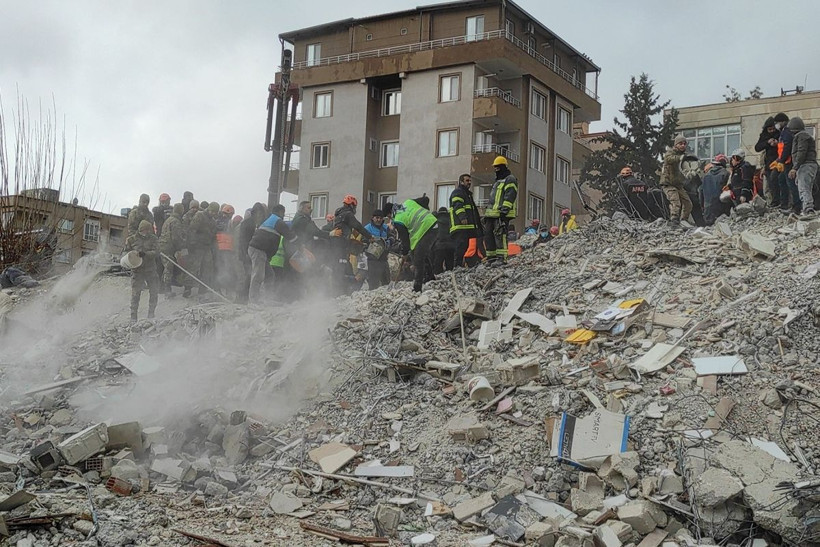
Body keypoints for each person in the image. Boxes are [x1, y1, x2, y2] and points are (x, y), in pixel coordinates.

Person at [389, 197, 438, 292]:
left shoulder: (398, 220)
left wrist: (404, 253)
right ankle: (430, 277)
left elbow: (405, 241)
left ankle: (417, 287)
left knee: (418, 257)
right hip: (431, 225)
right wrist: (426, 209)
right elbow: (425, 199)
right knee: (418, 253)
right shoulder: (408, 202)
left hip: (428, 228)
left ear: (390, 213)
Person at [248, 204, 296, 301]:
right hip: (258, 250)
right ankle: (253, 300)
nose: (284, 215)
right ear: (280, 212)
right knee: (258, 275)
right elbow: (291, 236)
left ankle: (267, 299)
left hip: (259, 250)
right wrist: (301, 245)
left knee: (269, 275)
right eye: (283, 213)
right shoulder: (278, 221)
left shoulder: (270, 220)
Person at [330, 195, 372, 294]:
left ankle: (339, 292)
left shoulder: (338, 216)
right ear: (352, 205)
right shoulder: (348, 214)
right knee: (345, 270)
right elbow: (358, 226)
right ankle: (344, 292)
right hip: (342, 248)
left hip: (337, 247)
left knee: (341, 269)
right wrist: (370, 237)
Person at [483, 156, 518, 263]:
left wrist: (504, 211)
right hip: (492, 215)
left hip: (501, 214)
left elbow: (510, 195)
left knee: (500, 236)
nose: (496, 169)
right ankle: (491, 258)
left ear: (503, 167)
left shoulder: (510, 179)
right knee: (489, 236)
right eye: (495, 167)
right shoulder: (497, 181)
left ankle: (501, 258)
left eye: (498, 167)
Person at [123, 220, 159, 321]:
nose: (147, 232)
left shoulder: (153, 239)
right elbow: (125, 253)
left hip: (150, 269)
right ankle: (133, 317)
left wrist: (146, 254)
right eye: (145, 230)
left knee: (154, 291)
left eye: (148, 230)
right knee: (136, 294)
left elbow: (157, 252)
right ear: (141, 229)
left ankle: (151, 314)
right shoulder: (131, 239)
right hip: (137, 270)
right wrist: (131, 257)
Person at [449, 173, 483, 268]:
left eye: (470, 181)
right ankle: (457, 266)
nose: (469, 183)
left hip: (465, 227)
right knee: (460, 247)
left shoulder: (467, 194)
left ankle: (459, 266)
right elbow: (457, 205)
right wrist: (462, 217)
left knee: (464, 247)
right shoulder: (458, 192)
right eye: (467, 180)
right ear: (461, 182)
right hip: (460, 227)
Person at [185, 202, 219, 297]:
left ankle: (202, 290)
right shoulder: (200, 215)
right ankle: (187, 288)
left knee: (207, 268)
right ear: (209, 209)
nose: (213, 213)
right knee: (194, 268)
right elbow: (192, 230)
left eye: (215, 212)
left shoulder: (213, 221)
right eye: (212, 211)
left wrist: (213, 247)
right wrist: (192, 245)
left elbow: (213, 236)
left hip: (207, 247)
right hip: (197, 247)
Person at [236, 203, 267, 304]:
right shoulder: (248, 223)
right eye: (260, 213)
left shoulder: (254, 223)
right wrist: (245, 253)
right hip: (246, 253)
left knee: (250, 275)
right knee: (247, 275)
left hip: (248, 252)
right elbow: (243, 240)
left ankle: (244, 298)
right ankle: (241, 298)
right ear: (256, 213)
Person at [660, 135, 693, 228]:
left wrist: (690, 173)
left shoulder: (684, 156)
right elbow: (669, 159)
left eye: (684, 144)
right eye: (680, 143)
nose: (683, 145)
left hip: (678, 184)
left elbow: (685, 167)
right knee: (675, 201)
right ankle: (674, 221)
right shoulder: (670, 152)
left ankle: (684, 220)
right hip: (668, 183)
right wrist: (680, 158)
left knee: (688, 203)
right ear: (676, 144)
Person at [787, 116, 818, 216]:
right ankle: (808, 208)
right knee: (807, 187)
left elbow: (801, 152)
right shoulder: (804, 136)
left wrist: (794, 168)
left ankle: (808, 209)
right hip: (808, 165)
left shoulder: (801, 136)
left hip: (806, 165)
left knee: (803, 187)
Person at [770, 112, 800, 214]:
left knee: (791, 183)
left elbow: (787, 147)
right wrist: (778, 160)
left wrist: (781, 160)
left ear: (783, 122)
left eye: (777, 122)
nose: (776, 125)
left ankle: (796, 206)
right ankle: (784, 204)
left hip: (788, 162)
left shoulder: (787, 132)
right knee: (782, 180)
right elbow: (782, 148)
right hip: (785, 161)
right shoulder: (783, 132)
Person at [158, 203, 186, 294]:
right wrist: (180, 247)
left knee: (166, 267)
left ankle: (161, 287)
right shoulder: (176, 221)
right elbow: (176, 238)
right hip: (168, 247)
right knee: (169, 268)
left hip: (163, 245)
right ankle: (167, 290)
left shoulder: (168, 219)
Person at [754, 117, 781, 207]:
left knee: (775, 181)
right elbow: (757, 147)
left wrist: (777, 143)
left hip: (779, 161)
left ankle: (778, 201)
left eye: (773, 129)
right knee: (769, 184)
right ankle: (773, 201)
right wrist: (767, 142)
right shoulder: (764, 136)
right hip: (768, 163)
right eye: (770, 129)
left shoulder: (779, 133)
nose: (772, 131)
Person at [363, 209, 391, 290]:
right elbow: (362, 241)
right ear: (373, 218)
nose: (379, 220)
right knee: (373, 283)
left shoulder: (386, 228)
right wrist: (369, 243)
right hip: (372, 260)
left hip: (384, 259)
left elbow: (392, 237)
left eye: (380, 218)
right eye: (377, 218)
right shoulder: (367, 228)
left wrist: (389, 242)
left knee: (386, 282)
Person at [700, 154, 731, 225]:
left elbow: (701, 192)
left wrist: (702, 206)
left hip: (708, 208)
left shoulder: (706, 175)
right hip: (721, 207)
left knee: (709, 229)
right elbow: (728, 191)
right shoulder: (726, 174)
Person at [215, 204, 238, 296]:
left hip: (217, 248)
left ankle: (218, 289)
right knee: (227, 270)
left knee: (218, 269)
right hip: (228, 249)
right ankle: (227, 290)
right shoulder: (230, 223)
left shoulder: (216, 221)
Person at [432, 207, 456, 274]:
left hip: (439, 246)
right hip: (451, 246)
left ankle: (438, 278)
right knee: (450, 266)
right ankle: (450, 277)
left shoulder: (435, 220)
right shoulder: (451, 219)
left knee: (438, 266)